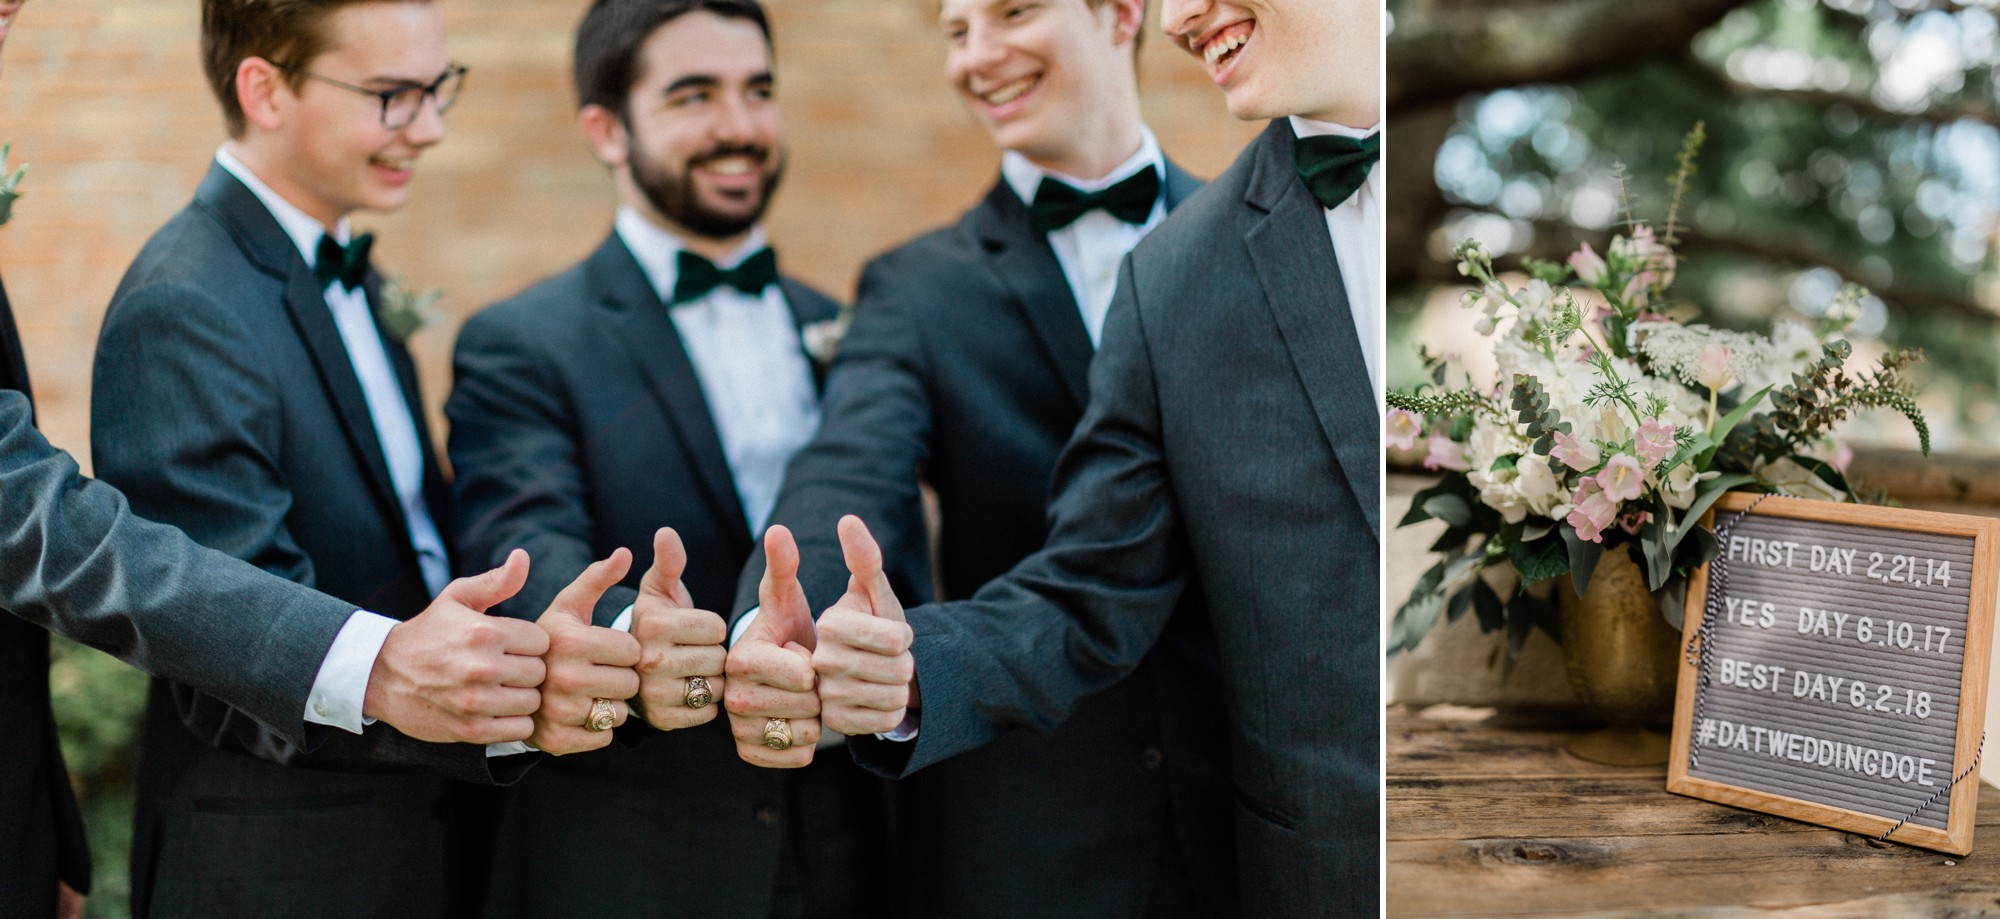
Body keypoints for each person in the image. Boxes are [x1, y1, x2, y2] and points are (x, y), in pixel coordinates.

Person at [751, 0, 1383, 915]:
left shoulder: (1255, 230)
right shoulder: (917, 288)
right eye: (955, 32)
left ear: (1120, 12)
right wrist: (798, 616)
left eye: (1011, 12)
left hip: (1258, 826)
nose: (978, 56)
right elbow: (848, 467)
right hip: (1034, 841)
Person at [0, 3, 631, 916]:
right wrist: (495, 698)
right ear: (265, 89)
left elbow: (415, 549)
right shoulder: (184, 302)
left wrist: (569, 635)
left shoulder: (351, 274)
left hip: (418, 849)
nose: (432, 126)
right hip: (278, 870)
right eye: (392, 95)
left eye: (438, 89)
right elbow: (221, 675)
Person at [445, 1, 886, 915]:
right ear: (606, 129)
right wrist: (626, 634)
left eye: (758, 90)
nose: (740, 127)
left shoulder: (842, 323)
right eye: (694, 95)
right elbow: (521, 543)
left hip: (851, 841)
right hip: (635, 859)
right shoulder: (523, 342)